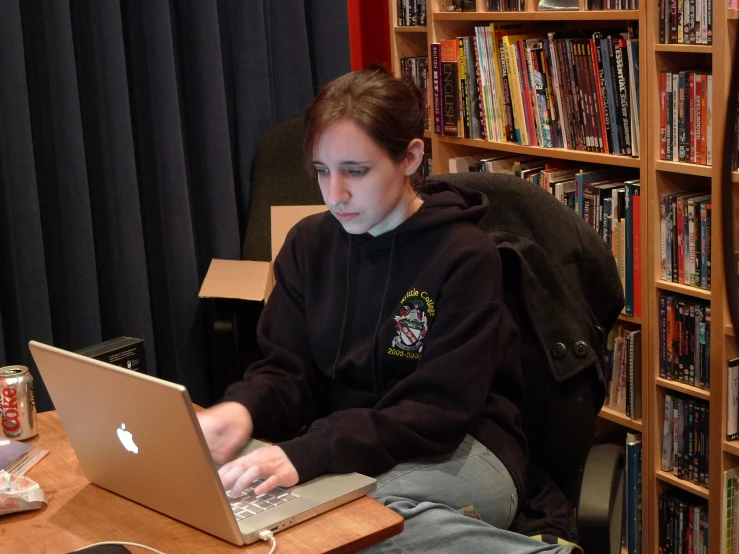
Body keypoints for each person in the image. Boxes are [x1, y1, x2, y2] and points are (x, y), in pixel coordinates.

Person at [198, 68, 577, 553]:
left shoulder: (464, 253)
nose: (335, 194)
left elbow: (437, 411)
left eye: (355, 171)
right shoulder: (308, 245)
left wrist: (316, 450)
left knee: (353, 527)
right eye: (321, 170)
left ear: (409, 158)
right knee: (251, 510)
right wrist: (243, 410)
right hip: (356, 447)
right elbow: (285, 371)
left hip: (464, 447)